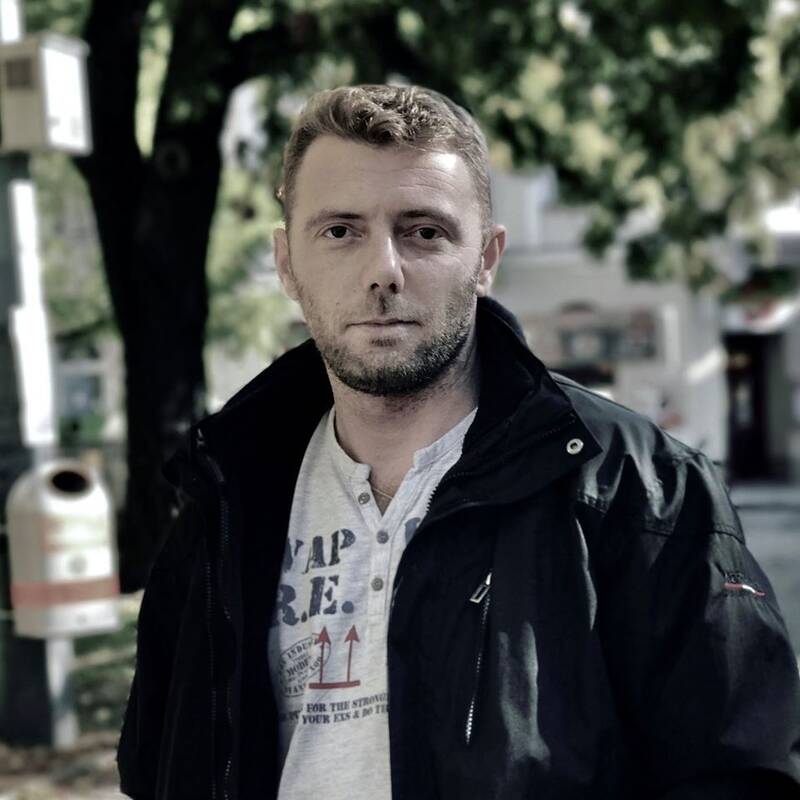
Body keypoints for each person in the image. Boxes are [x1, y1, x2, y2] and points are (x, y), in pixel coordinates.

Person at [116, 84, 800, 800]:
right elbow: (160, 770)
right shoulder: (224, 501)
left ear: (486, 258)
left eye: (424, 231)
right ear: (287, 263)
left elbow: (738, 771)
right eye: (340, 231)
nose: (383, 270)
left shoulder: (640, 487)